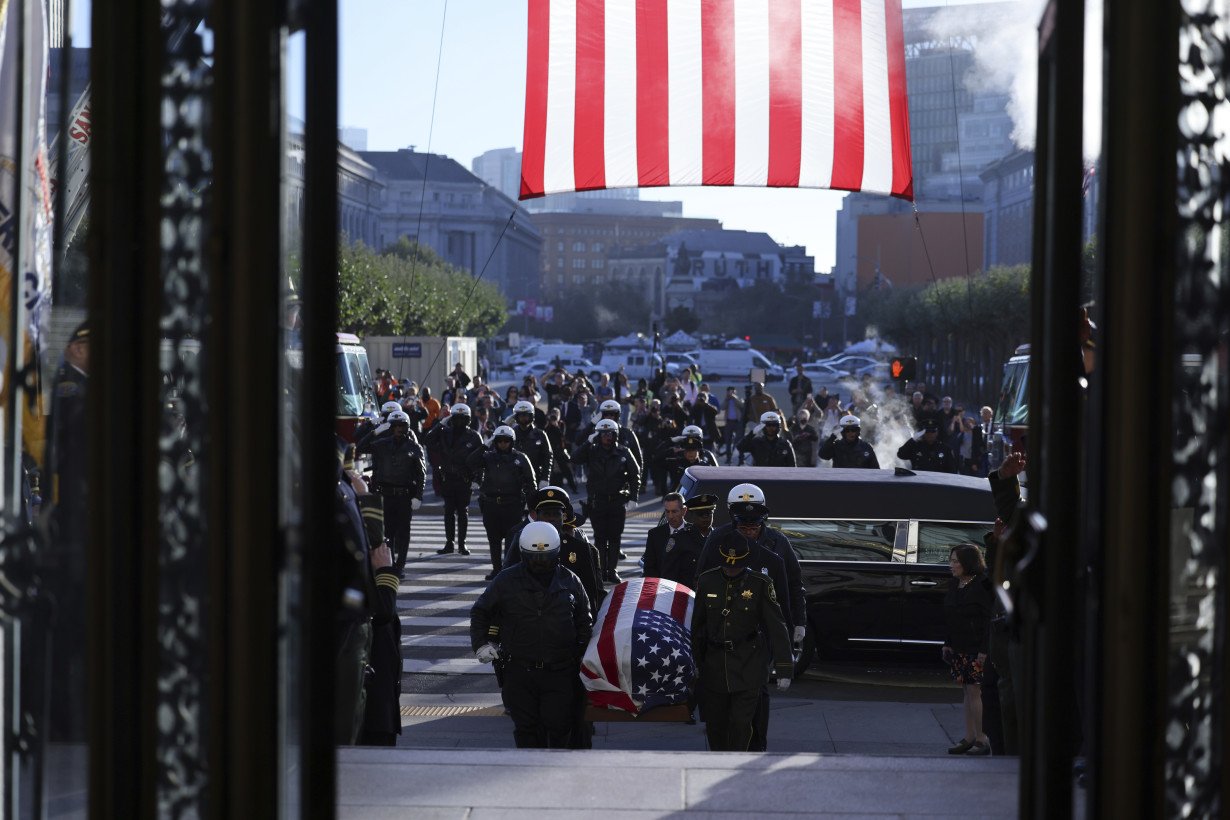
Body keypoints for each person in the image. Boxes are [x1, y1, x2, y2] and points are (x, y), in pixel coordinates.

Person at [695, 483, 806, 752]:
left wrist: (798, 622)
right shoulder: (718, 539)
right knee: (719, 707)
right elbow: (702, 581)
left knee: (756, 698)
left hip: (760, 636)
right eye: (742, 525)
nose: (748, 531)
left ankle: (755, 748)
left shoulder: (778, 543)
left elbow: (791, 584)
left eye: (753, 525)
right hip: (720, 633)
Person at [470, 521, 592, 749]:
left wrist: (582, 656)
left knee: (559, 727)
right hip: (519, 671)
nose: (540, 562)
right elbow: (480, 611)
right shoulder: (505, 581)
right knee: (526, 729)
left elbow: (585, 622)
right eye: (534, 557)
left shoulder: (570, 580)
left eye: (545, 556)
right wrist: (481, 644)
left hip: (560, 671)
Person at [691, 536, 794, 752]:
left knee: (741, 723)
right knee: (715, 726)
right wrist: (696, 662)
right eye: (727, 566)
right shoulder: (708, 580)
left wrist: (784, 668)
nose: (731, 570)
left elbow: (777, 627)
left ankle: (738, 764)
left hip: (748, 664)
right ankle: (718, 763)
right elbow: (698, 626)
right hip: (715, 665)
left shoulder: (760, 584)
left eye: (736, 566)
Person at [505, 488, 604, 618]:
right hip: (527, 616)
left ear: (563, 517)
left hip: (566, 618)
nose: (551, 519)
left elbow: (591, 592)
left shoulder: (579, 547)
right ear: (536, 516)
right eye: (546, 514)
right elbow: (505, 582)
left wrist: (588, 626)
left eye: (556, 514)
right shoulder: (521, 539)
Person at [355, 410, 425, 573]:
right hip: (385, 494)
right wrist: (374, 431)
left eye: (402, 426)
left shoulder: (414, 447)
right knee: (388, 532)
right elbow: (360, 447)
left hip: (404, 495)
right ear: (391, 428)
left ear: (407, 427)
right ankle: (390, 564)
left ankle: (400, 565)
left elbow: (421, 473)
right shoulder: (382, 444)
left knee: (403, 531)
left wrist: (418, 496)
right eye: (395, 426)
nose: (399, 429)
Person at [573, 418, 641, 583]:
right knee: (600, 537)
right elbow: (574, 459)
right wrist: (587, 443)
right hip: (598, 501)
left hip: (617, 500)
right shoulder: (592, 450)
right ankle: (601, 570)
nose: (607, 437)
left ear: (616, 434)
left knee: (615, 537)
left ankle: (612, 570)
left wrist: (633, 497)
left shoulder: (624, 452)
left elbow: (635, 474)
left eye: (610, 433)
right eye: (603, 433)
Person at [942, 543, 994, 756]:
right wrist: (948, 642)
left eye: (956, 561)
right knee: (966, 690)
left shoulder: (982, 585)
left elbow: (989, 619)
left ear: (967, 563)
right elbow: (951, 617)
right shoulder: (956, 585)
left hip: (976, 646)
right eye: (951, 560)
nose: (951, 565)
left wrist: (984, 649)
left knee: (974, 691)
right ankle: (970, 735)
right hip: (959, 646)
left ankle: (982, 738)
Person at [467, 425, 537, 580]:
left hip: (512, 504)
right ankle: (496, 570)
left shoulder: (520, 458)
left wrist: (532, 506)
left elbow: (531, 483)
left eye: (506, 441)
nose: (503, 444)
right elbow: (470, 462)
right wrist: (485, 445)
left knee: (512, 541)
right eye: (499, 441)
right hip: (491, 504)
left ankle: (509, 571)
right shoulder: (488, 456)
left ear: (512, 442)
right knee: (494, 540)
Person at [424, 403, 484, 555]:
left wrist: (478, 479)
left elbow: (481, 459)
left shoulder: (474, 436)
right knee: (448, 511)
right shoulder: (445, 432)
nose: (459, 422)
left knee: (463, 512)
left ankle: (462, 544)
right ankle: (449, 543)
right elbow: (428, 440)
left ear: (468, 420)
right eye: (456, 419)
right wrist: (440, 424)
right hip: (447, 478)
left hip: (464, 480)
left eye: (463, 419)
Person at [642, 492, 706, 586]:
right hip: (663, 587)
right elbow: (649, 567)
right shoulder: (655, 534)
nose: (670, 516)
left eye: (674, 511)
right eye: (667, 511)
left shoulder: (695, 532)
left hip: (688, 588)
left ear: (684, 511)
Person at [658, 424, 718, 493]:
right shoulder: (677, 457)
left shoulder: (707, 455)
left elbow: (717, 473)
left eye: (695, 438)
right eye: (688, 449)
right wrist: (671, 441)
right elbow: (657, 459)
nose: (690, 453)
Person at [510, 400, 553, 488]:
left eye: (526, 415)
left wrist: (545, 478)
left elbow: (548, 457)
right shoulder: (511, 434)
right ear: (516, 417)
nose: (523, 418)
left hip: (537, 476)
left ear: (531, 416)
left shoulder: (541, 434)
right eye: (521, 415)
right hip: (515, 477)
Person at [719, 386, 744, 464]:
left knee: (740, 441)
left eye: (732, 392)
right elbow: (722, 408)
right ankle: (728, 458)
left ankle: (741, 459)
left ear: (735, 392)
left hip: (737, 422)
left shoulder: (739, 399)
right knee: (728, 441)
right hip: (729, 422)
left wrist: (734, 398)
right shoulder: (727, 400)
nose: (731, 393)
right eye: (729, 392)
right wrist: (727, 399)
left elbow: (742, 406)